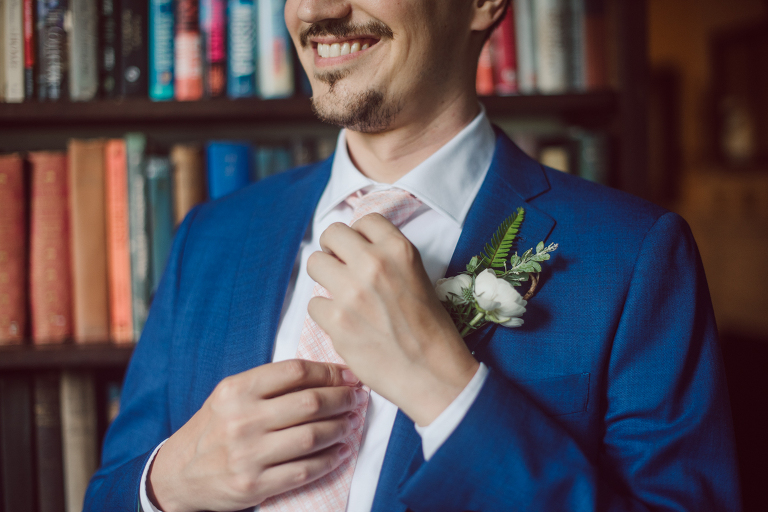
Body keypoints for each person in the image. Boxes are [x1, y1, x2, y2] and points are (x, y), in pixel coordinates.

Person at [84, 0, 741, 511]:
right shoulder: (210, 237)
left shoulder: (634, 257)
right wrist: (169, 481)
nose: (314, 12)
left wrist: (446, 390)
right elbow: (109, 495)